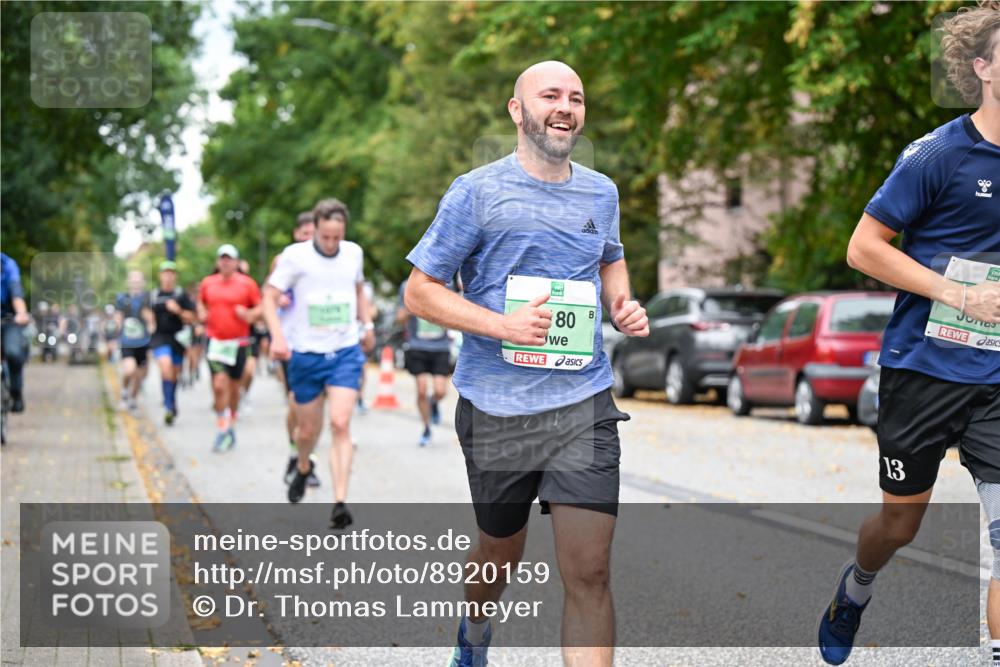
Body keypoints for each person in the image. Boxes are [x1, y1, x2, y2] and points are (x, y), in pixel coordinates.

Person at [404, 61, 649, 667]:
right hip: (497, 406)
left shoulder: (601, 191)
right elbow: (420, 291)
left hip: (581, 402)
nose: (565, 107)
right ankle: (477, 629)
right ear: (517, 110)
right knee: (498, 553)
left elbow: (610, 257)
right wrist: (501, 326)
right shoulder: (476, 191)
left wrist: (620, 303)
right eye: (550, 96)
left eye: (576, 97)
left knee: (589, 570)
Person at [816, 7, 1000, 665]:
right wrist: (958, 294)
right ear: (981, 67)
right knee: (899, 525)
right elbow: (863, 247)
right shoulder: (939, 154)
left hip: (996, 379)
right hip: (923, 367)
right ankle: (855, 589)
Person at [263, 198, 375, 528]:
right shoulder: (294, 257)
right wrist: (277, 337)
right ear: (315, 229)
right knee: (307, 430)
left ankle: (340, 502)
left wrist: (366, 325)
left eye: (336, 237)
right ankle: (302, 466)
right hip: (306, 355)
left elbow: (358, 291)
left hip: (343, 351)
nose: (330, 244)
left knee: (340, 423)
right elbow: (267, 298)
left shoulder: (353, 253)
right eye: (325, 237)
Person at [270, 211, 320, 487]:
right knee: (295, 406)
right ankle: (296, 453)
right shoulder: (284, 261)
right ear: (296, 235)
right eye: (304, 234)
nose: (308, 239)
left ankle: (305, 460)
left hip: (320, 346)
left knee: (313, 411)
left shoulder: (327, 262)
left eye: (313, 234)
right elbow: (269, 298)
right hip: (290, 345)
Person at [198, 244, 262, 452]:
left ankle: (230, 423)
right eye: (222, 258)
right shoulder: (208, 283)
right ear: (218, 262)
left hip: (239, 344)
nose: (225, 262)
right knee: (219, 384)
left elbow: (260, 308)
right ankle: (222, 426)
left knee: (234, 390)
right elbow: (201, 302)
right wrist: (201, 313)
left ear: (235, 262)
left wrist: (250, 316)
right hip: (215, 342)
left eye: (229, 259)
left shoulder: (248, 284)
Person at [397, 276, 458, 446]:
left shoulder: (448, 285)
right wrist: (413, 305)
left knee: (440, 391)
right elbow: (400, 318)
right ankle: (426, 428)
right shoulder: (406, 285)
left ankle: (433, 404)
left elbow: (455, 312)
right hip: (417, 346)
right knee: (422, 389)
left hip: (440, 347)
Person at [149, 261, 197, 425]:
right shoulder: (154, 295)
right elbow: (145, 313)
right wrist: (148, 320)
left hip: (178, 338)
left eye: (171, 273)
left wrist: (178, 310)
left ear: (175, 276)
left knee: (174, 373)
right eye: (165, 273)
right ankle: (168, 406)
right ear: (160, 275)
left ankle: (171, 400)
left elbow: (192, 317)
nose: (168, 276)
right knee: (165, 366)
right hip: (160, 337)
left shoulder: (181, 295)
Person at [116, 270, 154, 413]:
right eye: (133, 280)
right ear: (128, 282)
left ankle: (133, 399)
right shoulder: (122, 298)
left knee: (139, 375)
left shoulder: (147, 299)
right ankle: (124, 390)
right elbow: (118, 317)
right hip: (127, 341)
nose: (136, 283)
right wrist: (116, 329)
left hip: (143, 342)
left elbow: (152, 319)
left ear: (143, 283)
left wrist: (151, 324)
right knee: (129, 370)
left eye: (138, 280)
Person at [1, 253, 31, 412]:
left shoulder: (7, 265)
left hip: (9, 320)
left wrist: (21, 313)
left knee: (13, 352)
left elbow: (16, 293)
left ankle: (16, 393)